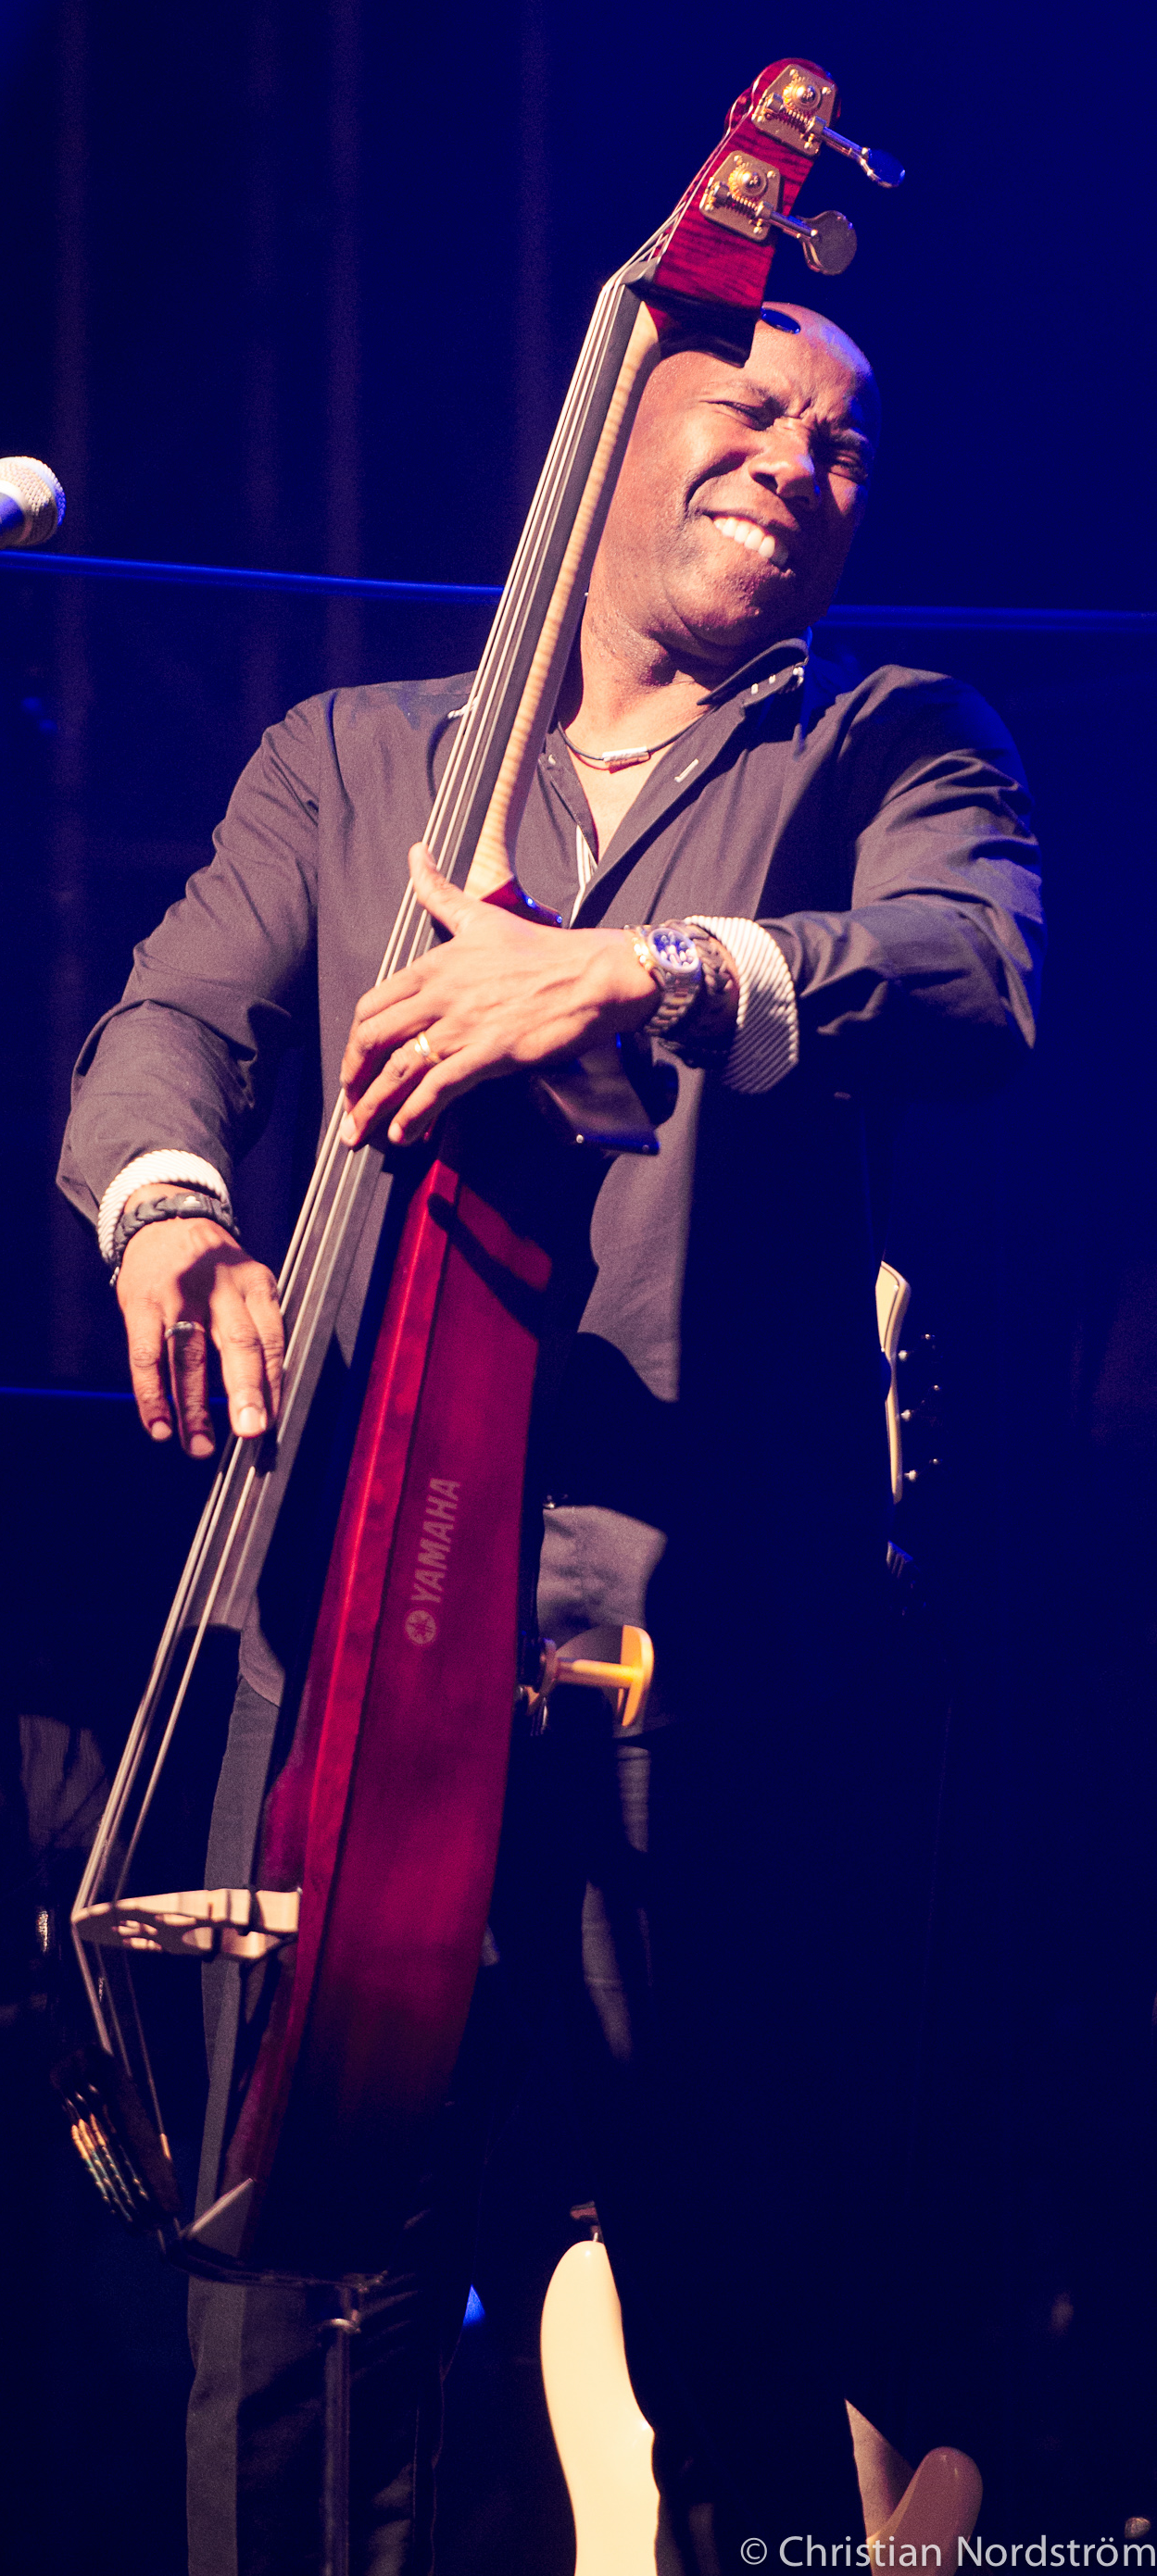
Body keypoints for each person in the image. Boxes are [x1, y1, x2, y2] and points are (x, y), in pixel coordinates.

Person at [58, 305, 1044, 2574]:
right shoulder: (351, 757)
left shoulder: (893, 740)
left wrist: (642, 969)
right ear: (607, 426)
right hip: (350, 1649)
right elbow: (169, 1020)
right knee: (300, 2332)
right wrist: (173, 1216)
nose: (801, 458)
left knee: (741, 2326)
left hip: (702, 1686)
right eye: (752, 406)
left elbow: (976, 970)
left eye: (847, 441)